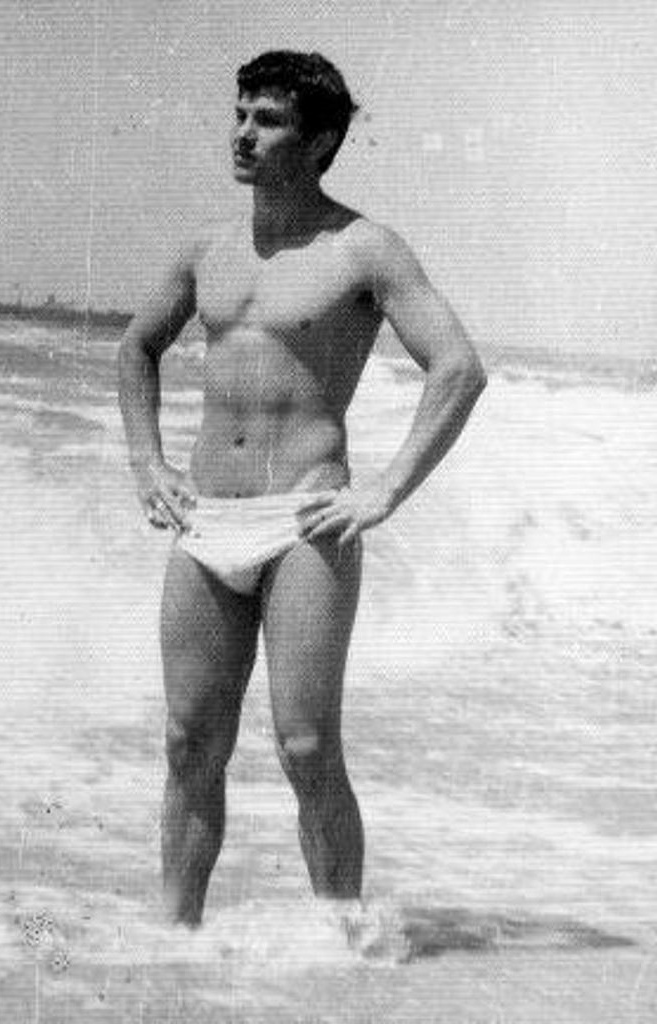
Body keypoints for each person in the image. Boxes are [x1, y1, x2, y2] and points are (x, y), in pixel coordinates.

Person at [118, 50, 486, 928]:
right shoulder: (207, 248)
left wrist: (385, 490)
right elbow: (136, 349)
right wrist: (147, 462)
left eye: (268, 120)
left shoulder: (363, 248)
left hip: (305, 522)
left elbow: (457, 368)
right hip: (207, 518)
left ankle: (338, 942)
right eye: (240, 114)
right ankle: (174, 936)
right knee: (187, 741)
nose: (243, 134)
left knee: (306, 744)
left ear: (319, 141)